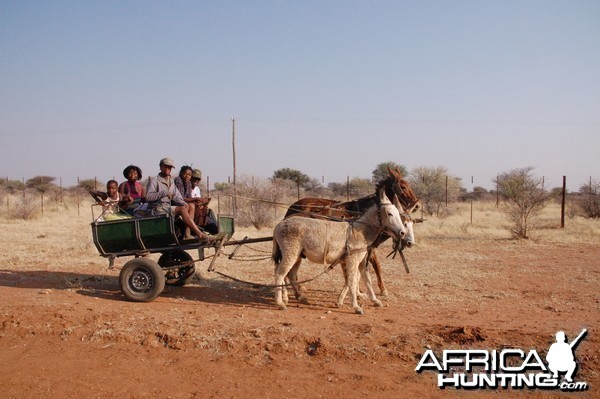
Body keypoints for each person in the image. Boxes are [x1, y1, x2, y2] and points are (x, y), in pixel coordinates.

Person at [145, 157, 212, 243]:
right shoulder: (154, 181)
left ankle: (187, 234)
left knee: (187, 206)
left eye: (169, 167)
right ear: (160, 167)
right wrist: (162, 193)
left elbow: (177, 196)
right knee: (182, 209)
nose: (167, 169)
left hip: (167, 207)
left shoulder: (171, 181)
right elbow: (148, 197)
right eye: (165, 166)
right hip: (157, 208)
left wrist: (184, 204)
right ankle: (200, 235)